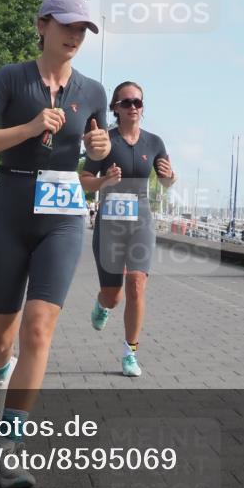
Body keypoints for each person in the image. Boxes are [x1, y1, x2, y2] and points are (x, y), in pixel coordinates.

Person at [0, 0, 110, 488]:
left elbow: (97, 158)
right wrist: (27, 127)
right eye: (67, 26)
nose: (75, 36)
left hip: (63, 212)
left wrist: (99, 148)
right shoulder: (12, 78)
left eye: (83, 30)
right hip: (10, 204)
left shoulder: (93, 91)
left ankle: (8, 448)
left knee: (39, 330)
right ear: (42, 25)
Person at [80, 81, 174, 378]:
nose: (133, 107)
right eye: (127, 102)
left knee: (136, 283)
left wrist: (170, 177)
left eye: (138, 102)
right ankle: (102, 304)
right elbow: (84, 180)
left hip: (141, 221)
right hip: (110, 224)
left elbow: (167, 181)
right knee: (114, 296)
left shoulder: (155, 142)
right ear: (115, 108)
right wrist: (104, 180)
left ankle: (129, 353)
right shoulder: (105, 141)